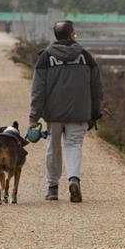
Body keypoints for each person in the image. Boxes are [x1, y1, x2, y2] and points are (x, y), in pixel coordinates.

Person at [28, 20, 103, 203]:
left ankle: (52, 188)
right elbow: (96, 88)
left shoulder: (45, 57)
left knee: (53, 148)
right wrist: (95, 113)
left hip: (53, 114)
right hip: (79, 112)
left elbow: (38, 90)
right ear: (71, 35)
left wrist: (34, 117)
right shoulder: (85, 56)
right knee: (74, 146)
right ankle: (74, 180)